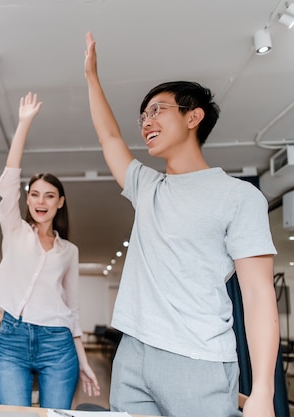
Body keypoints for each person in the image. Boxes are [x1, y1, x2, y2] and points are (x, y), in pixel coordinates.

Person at [83, 32, 279, 417]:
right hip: (132, 354)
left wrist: (263, 391)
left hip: (199, 359)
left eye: (157, 110)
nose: (146, 121)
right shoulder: (146, 186)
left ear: (193, 116)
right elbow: (108, 137)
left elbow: (258, 297)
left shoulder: (239, 197)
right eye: (143, 116)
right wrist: (91, 78)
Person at [0, 92, 100, 410]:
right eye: (34, 194)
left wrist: (84, 360)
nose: (40, 201)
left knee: (56, 416)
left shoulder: (69, 251)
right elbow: (8, 182)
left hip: (58, 344)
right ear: (27, 200)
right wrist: (23, 124)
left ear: (60, 202)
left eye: (49, 196)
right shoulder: (14, 230)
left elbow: (73, 310)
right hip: (12, 339)